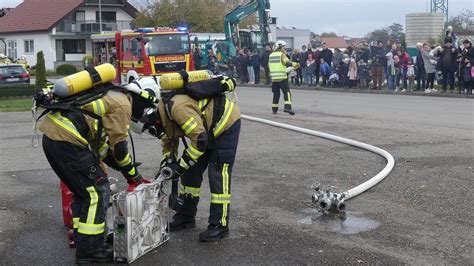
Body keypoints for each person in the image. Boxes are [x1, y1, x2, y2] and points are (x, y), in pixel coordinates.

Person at [38, 69, 155, 264]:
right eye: (145, 109)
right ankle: (90, 250)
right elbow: (120, 150)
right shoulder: (123, 103)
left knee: (82, 192)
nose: (142, 115)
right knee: (97, 193)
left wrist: (122, 168)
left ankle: (83, 238)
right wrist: (133, 175)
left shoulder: (110, 95)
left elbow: (103, 150)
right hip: (68, 140)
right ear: (141, 98)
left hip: (53, 138)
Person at [157, 75, 241, 242]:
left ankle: (220, 225)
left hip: (225, 126)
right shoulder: (162, 111)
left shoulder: (178, 109)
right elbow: (168, 141)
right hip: (204, 129)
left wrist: (180, 167)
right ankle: (186, 217)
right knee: (191, 173)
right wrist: (168, 162)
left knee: (218, 174)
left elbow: (200, 142)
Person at [268, 40, 299, 115]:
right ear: (280, 47)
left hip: (274, 79)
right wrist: (296, 64)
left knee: (276, 94)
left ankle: (274, 109)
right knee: (287, 92)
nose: (284, 49)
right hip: (282, 78)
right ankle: (287, 107)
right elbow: (288, 63)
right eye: (283, 47)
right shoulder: (281, 55)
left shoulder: (271, 55)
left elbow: (269, 66)